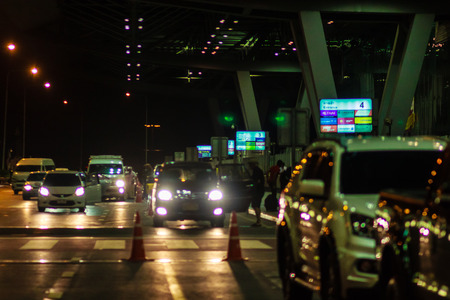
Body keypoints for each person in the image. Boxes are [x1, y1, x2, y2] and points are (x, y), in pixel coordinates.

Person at [248, 160, 265, 227]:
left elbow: (255, 181)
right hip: (260, 190)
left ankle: (259, 221)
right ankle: (258, 220)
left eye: (250, 165)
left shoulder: (256, 171)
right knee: (256, 205)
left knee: (256, 205)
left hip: (258, 191)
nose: (249, 166)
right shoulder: (258, 170)